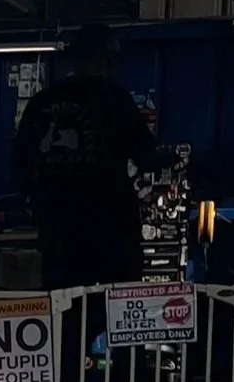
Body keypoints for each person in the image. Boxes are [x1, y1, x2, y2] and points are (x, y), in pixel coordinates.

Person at [13, 27, 156, 291]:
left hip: (59, 234)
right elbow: (146, 156)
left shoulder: (42, 103)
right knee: (119, 313)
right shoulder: (115, 99)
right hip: (110, 232)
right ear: (109, 60)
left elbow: (19, 167)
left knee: (65, 314)